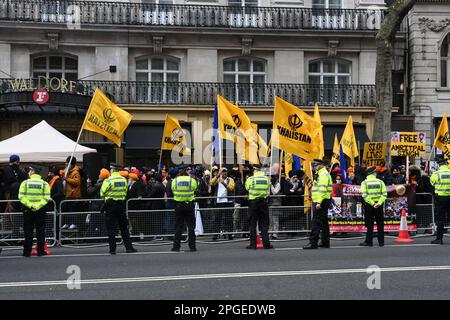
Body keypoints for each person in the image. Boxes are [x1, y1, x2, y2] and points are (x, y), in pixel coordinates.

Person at [100, 164, 137, 254]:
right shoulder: (124, 180)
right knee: (124, 227)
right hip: (121, 205)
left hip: (110, 205)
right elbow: (125, 193)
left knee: (111, 228)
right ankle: (129, 248)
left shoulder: (108, 180)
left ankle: (112, 249)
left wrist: (107, 198)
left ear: (112, 170)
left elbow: (102, 193)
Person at [18, 166, 51, 257]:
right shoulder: (45, 184)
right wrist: (37, 206)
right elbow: (47, 197)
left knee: (28, 231)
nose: (28, 172)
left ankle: (27, 252)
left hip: (28, 210)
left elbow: (21, 197)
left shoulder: (25, 183)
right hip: (40, 210)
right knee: (40, 230)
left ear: (32, 172)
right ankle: (40, 251)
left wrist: (31, 205)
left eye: (29, 171)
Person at [303, 159, 332, 249]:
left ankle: (313, 243)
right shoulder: (321, 174)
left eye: (316, 165)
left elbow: (322, 190)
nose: (314, 167)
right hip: (323, 200)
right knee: (323, 222)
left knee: (316, 221)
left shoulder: (323, 175)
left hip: (321, 201)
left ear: (321, 165)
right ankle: (325, 241)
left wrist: (319, 202)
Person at [245, 165, 273, 249]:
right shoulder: (266, 179)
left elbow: (247, 188)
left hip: (253, 203)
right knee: (264, 224)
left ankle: (253, 244)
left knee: (252, 224)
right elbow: (268, 189)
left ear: (255, 170)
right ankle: (266, 244)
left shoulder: (251, 179)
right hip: (263, 203)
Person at [171, 167, 198, 252]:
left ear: (179, 173)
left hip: (178, 205)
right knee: (190, 227)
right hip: (189, 205)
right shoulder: (191, 180)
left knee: (178, 227)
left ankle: (176, 247)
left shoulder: (175, 180)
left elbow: (172, 190)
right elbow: (195, 189)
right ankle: (192, 246)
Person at [360, 166, 387, 247]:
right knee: (380, 223)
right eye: (375, 172)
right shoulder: (380, 182)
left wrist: (372, 203)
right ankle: (381, 242)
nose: (376, 173)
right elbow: (384, 194)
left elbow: (364, 195)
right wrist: (379, 203)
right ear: (373, 173)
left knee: (369, 224)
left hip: (369, 205)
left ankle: (369, 242)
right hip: (379, 205)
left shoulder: (364, 183)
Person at [3, 154, 28, 239]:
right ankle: (14, 233)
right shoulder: (8, 170)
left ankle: (17, 234)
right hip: (11, 194)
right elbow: (8, 182)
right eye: (17, 162)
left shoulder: (18, 170)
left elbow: (24, 178)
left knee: (17, 215)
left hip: (18, 195)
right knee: (12, 213)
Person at [211, 168, 235, 240]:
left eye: (225, 172)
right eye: (223, 172)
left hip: (227, 202)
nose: (224, 173)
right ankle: (216, 234)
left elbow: (231, 188)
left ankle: (229, 234)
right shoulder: (218, 179)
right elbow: (211, 183)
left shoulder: (230, 179)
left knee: (228, 219)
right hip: (218, 202)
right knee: (217, 219)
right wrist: (218, 175)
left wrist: (223, 183)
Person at [430, 158, 450, 245]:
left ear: (439, 164)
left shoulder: (436, 174)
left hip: (440, 198)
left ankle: (439, 239)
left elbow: (432, 183)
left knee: (440, 219)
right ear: (446, 164)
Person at [62, 156, 81, 230]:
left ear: (71, 164)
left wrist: (67, 179)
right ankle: (67, 223)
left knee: (72, 210)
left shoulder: (75, 172)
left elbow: (76, 182)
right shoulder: (68, 172)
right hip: (68, 195)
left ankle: (73, 223)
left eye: (67, 163)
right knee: (67, 210)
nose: (66, 164)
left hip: (74, 195)